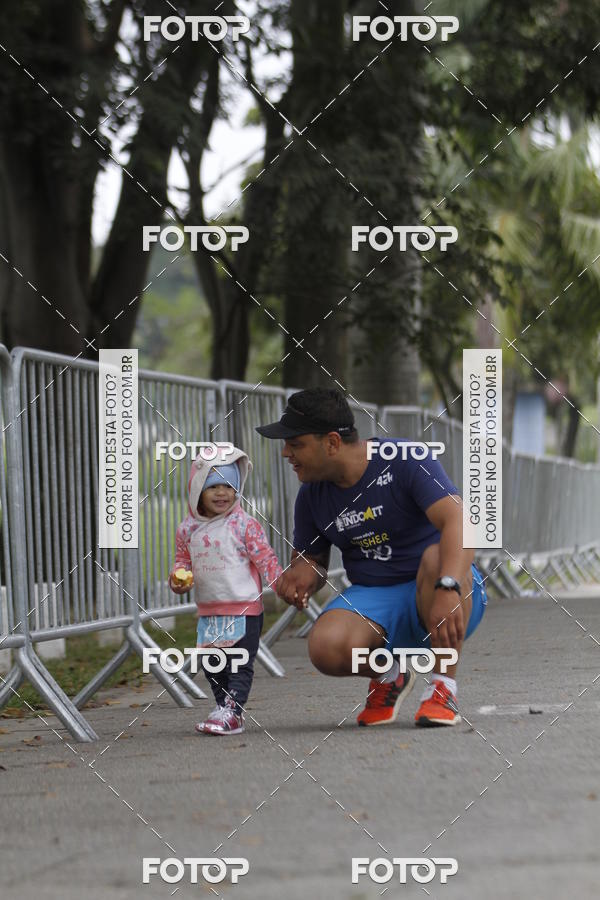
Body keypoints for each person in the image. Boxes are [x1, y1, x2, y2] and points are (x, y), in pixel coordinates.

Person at [256, 388, 487, 728]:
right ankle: (391, 673)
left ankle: (443, 686)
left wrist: (449, 585)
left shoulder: (405, 458)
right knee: (325, 647)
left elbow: (459, 521)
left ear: (332, 442)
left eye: (296, 443)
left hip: (443, 589)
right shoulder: (311, 495)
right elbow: (312, 560)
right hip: (376, 597)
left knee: (435, 556)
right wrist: (303, 574)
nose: (285, 453)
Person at [169, 446, 282, 735]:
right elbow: (183, 562)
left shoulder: (245, 525)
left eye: (229, 486)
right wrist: (179, 579)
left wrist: (283, 585)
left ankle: (233, 710)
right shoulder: (187, 529)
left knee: (239, 663)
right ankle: (222, 707)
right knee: (213, 664)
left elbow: (266, 558)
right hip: (210, 611)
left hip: (244, 608)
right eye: (213, 486)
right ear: (198, 490)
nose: (222, 493)